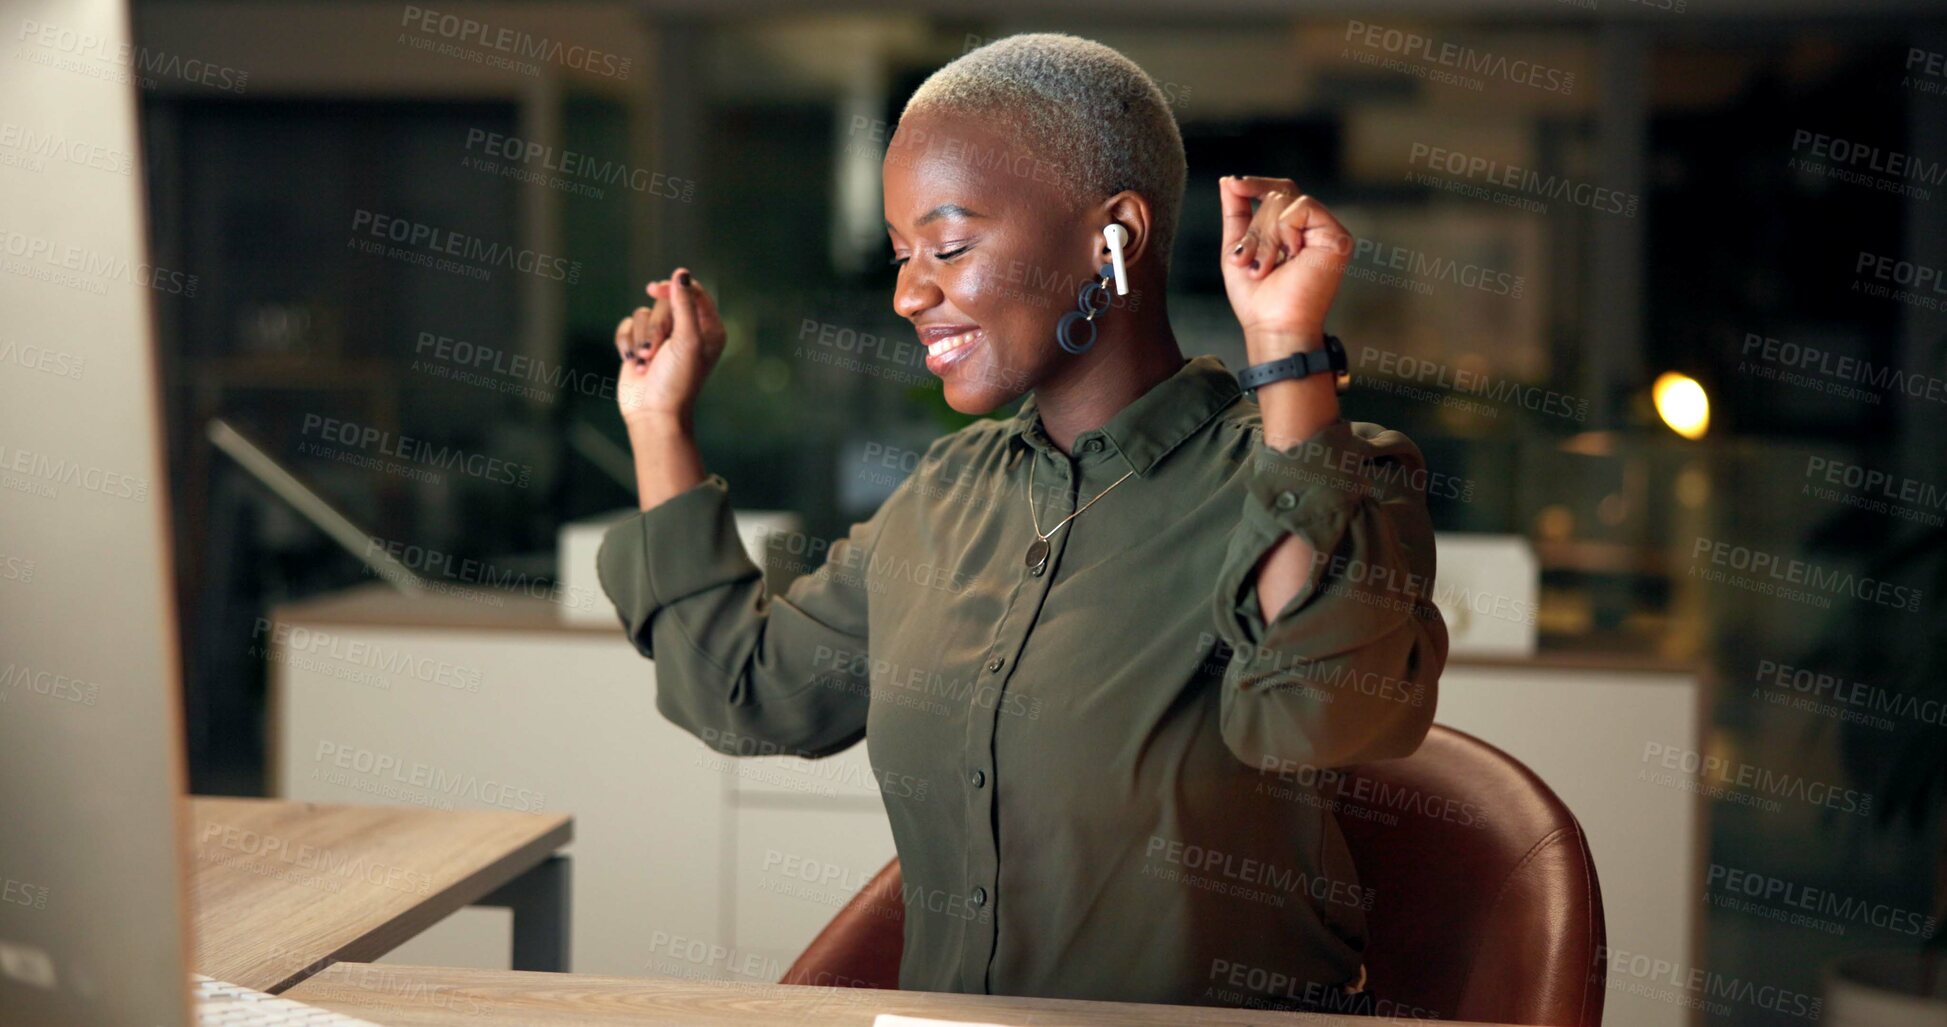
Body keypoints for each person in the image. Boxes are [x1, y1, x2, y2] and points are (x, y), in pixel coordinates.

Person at [598, 32, 1447, 1016]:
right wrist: (658, 421)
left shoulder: (1318, 477)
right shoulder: (947, 495)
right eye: (903, 255)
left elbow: (1317, 711)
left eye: (950, 246)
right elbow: (745, 692)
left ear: (1115, 236)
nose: (910, 293)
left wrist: (1288, 348)